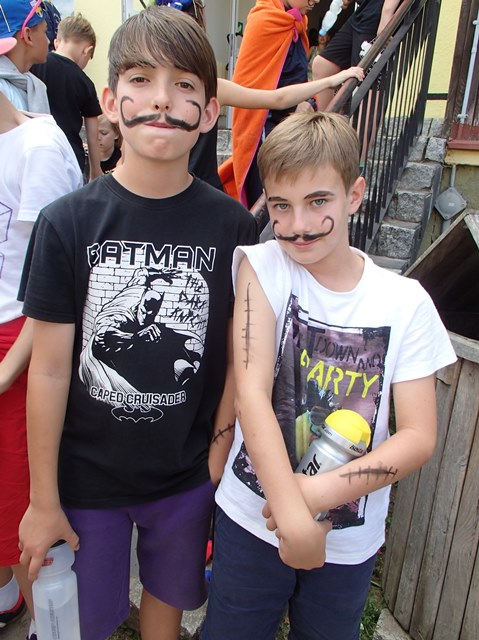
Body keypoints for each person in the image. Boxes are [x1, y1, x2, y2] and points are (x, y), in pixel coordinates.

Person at [17, 7, 257, 640]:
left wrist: (216, 454)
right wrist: (43, 498)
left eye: (184, 85)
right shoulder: (67, 223)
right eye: (142, 79)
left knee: (167, 606)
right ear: (109, 100)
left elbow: (237, 356)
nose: (162, 100)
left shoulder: (234, 229)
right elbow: (48, 370)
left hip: (184, 476)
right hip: (84, 480)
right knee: (86, 620)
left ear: (209, 111)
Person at [200, 112, 457, 640]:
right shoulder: (263, 266)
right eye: (280, 206)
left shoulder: (406, 303)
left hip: (346, 544)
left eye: (318, 201)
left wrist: (311, 498)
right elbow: (251, 393)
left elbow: (418, 436)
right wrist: (291, 516)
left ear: (354, 194)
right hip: (251, 518)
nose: (298, 224)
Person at [0, 85, 82, 640]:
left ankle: (45, 625)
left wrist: (7, 371)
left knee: (21, 512)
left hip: (18, 340)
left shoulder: (39, 148)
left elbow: (48, 286)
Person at [218, 0, 320, 208]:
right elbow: (250, 87)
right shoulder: (264, 20)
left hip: (293, 130)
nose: (316, 1)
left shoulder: (297, 23)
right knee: (267, 201)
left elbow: (298, 78)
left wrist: (308, 101)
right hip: (265, 132)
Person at [31, 13, 102, 179]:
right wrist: (95, 170)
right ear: (87, 50)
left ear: (57, 42)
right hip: (70, 156)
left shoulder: (34, 66)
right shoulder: (85, 82)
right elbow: (92, 134)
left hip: (37, 152)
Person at [312, 0, 403, 110]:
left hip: (379, 13)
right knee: (322, 66)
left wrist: (387, 14)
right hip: (365, 10)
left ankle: (359, 121)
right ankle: (329, 120)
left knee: (366, 83)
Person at [0, 0, 50, 112]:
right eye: (45, 31)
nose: (48, 41)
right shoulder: (3, 91)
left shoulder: (29, 84)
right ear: (28, 36)